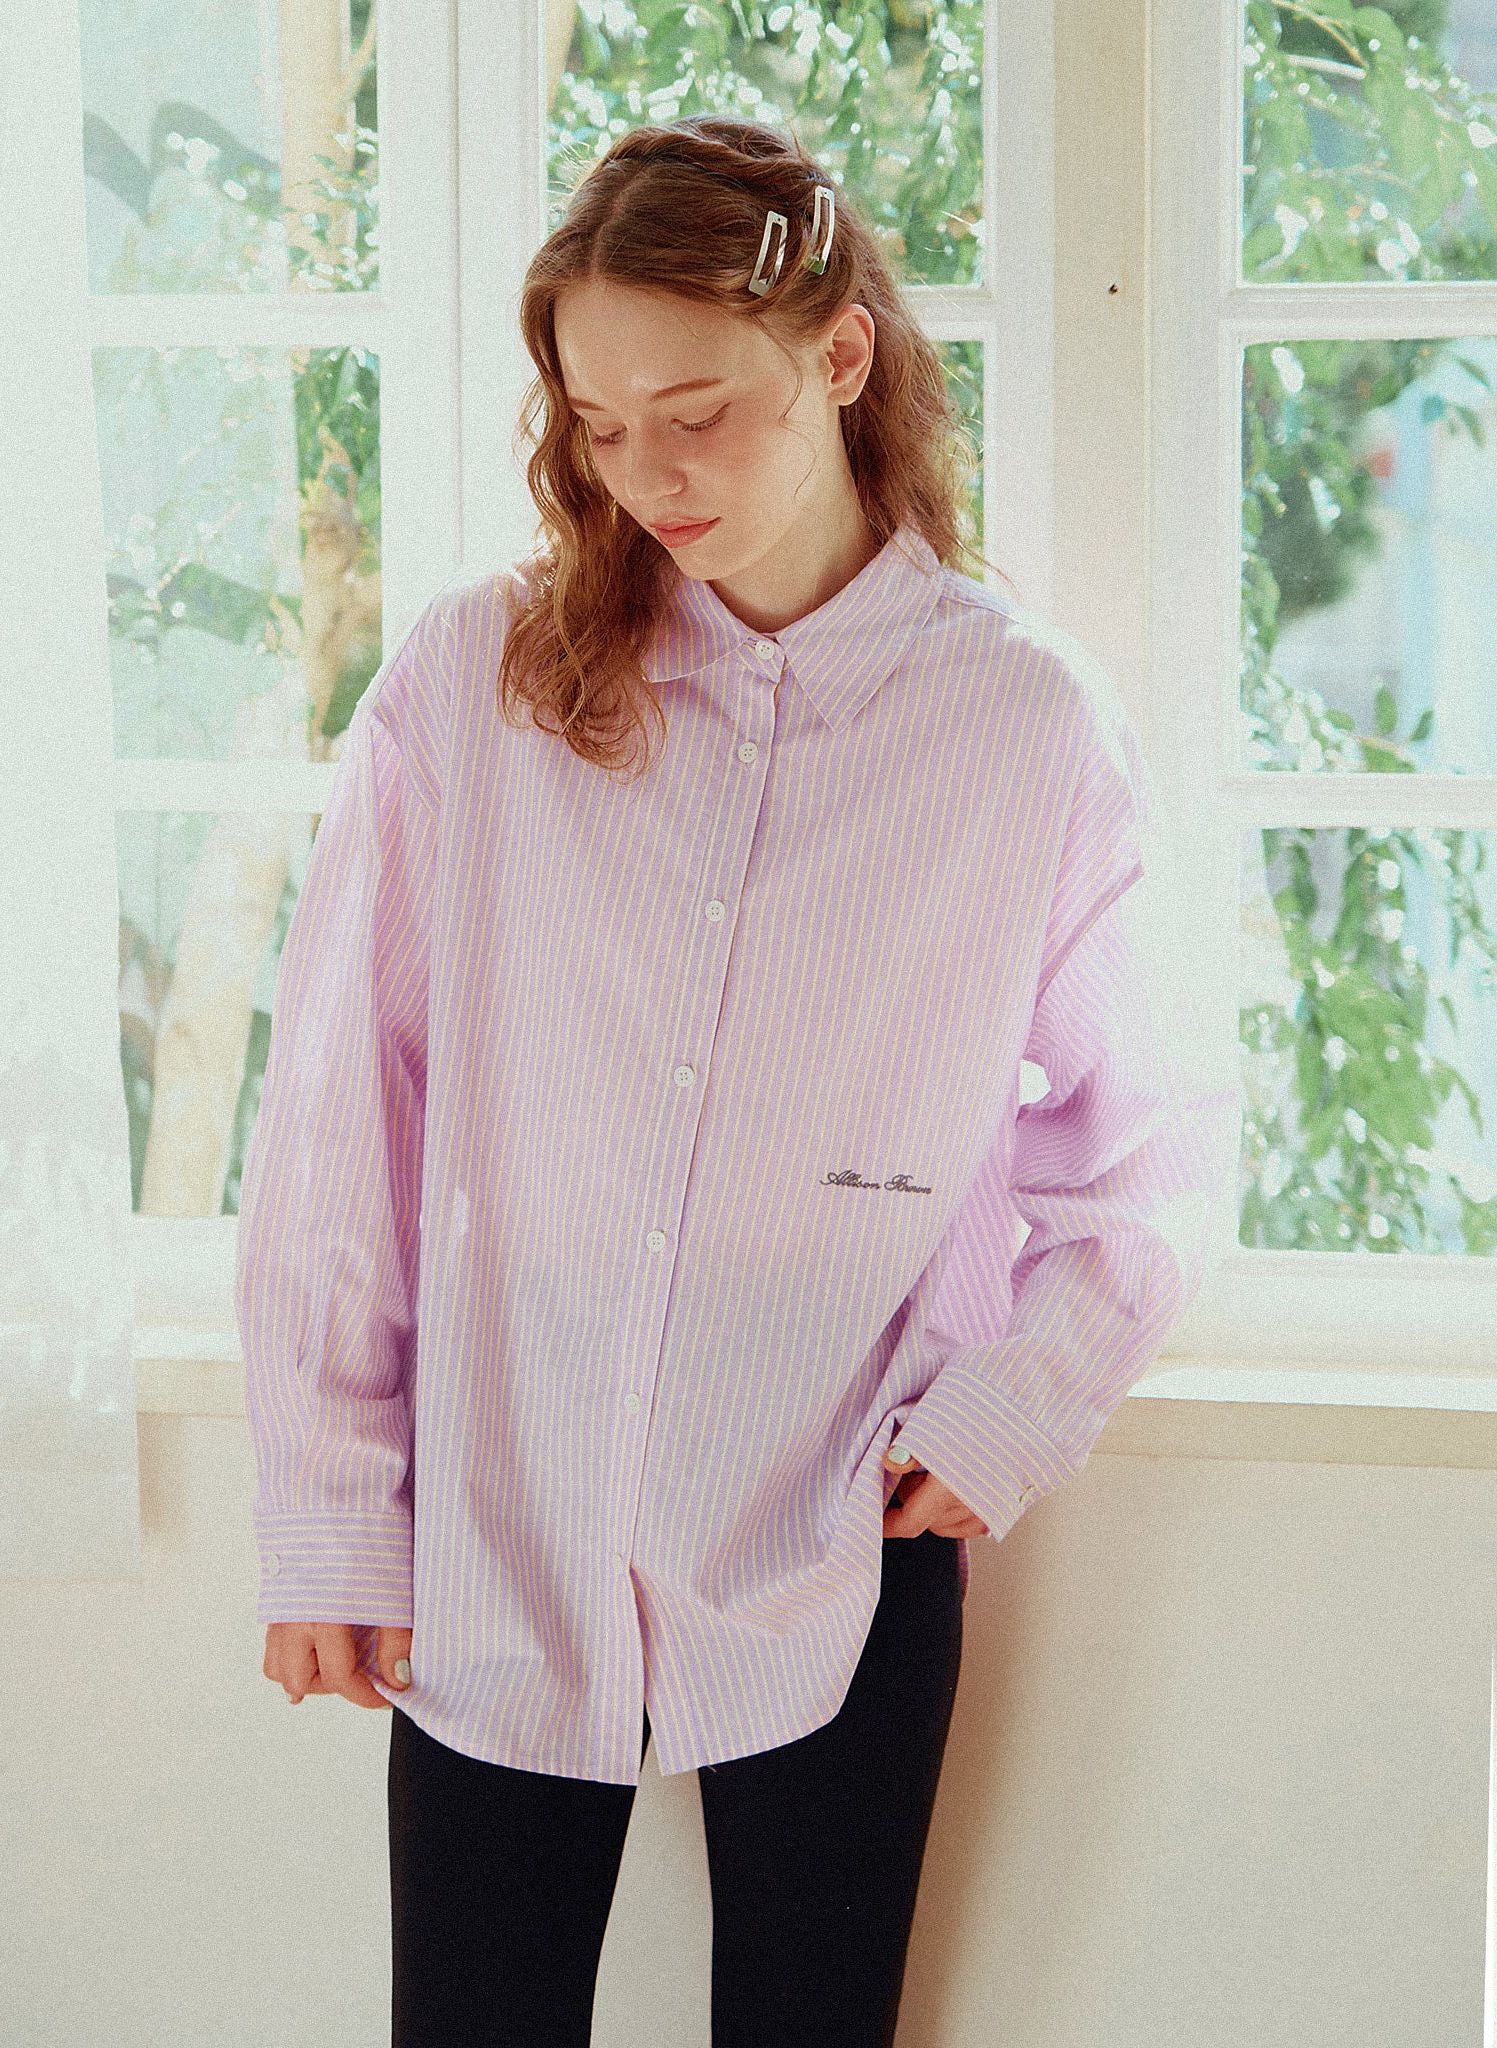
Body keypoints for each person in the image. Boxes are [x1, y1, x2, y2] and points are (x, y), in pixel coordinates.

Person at [239, 114, 1234, 2048]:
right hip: (498, 1510)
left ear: (841, 354)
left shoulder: (1024, 724)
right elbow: (344, 1119)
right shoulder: (476, 682)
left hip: (847, 1521)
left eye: (696, 411)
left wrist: (1016, 1409)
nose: (647, 473)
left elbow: (1160, 1138)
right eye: (602, 424)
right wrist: (333, 1512)